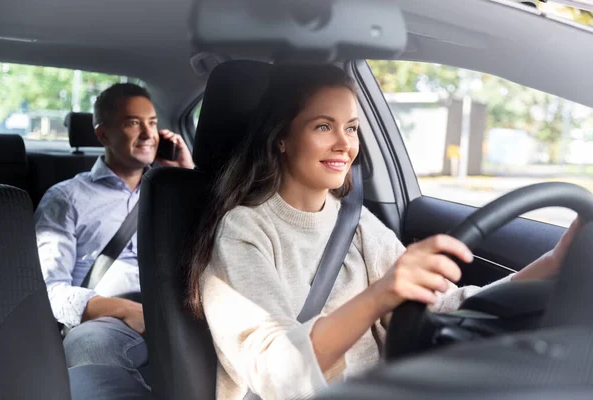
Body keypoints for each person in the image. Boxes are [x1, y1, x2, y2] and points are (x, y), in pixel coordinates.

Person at [182, 64, 581, 400]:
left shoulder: (355, 223)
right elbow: (276, 371)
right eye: (323, 126)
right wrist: (380, 295)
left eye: (352, 128)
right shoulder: (243, 231)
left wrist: (552, 263)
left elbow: (445, 308)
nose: (345, 144)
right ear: (282, 138)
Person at [35, 83, 194, 398]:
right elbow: (48, 292)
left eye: (152, 122)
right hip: (107, 321)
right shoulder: (66, 197)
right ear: (103, 135)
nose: (148, 134)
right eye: (133, 123)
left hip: (183, 310)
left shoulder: (177, 191)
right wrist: (124, 310)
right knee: (89, 346)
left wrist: (186, 177)